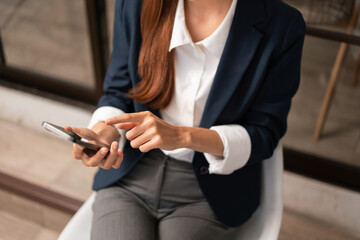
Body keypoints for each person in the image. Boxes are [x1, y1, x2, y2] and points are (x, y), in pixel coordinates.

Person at [66, 0, 306, 239]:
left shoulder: (282, 26)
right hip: (131, 173)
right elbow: (120, 92)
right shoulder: (135, 4)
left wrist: (182, 136)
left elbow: (265, 133)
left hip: (212, 189)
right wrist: (104, 132)